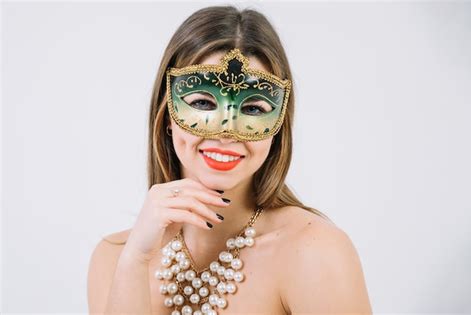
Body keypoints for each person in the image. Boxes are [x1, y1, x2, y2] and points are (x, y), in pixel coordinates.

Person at [87, 5, 372, 315]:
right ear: (167, 114)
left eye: (252, 108)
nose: (226, 132)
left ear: (278, 126)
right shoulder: (114, 259)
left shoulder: (314, 252)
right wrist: (136, 261)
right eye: (203, 102)